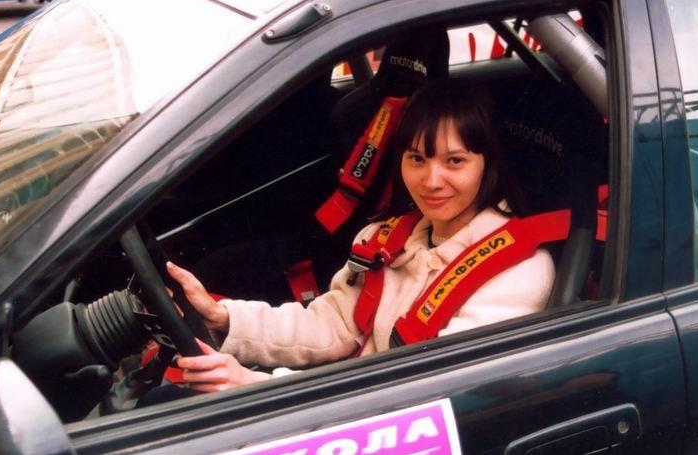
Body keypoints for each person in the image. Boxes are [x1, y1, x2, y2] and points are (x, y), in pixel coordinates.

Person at [166, 78, 555, 392]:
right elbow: (332, 325)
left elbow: (422, 394)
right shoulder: (389, 239)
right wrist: (223, 317)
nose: (431, 181)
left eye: (455, 161)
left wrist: (254, 386)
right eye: (417, 159)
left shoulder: (516, 271)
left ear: (488, 166)